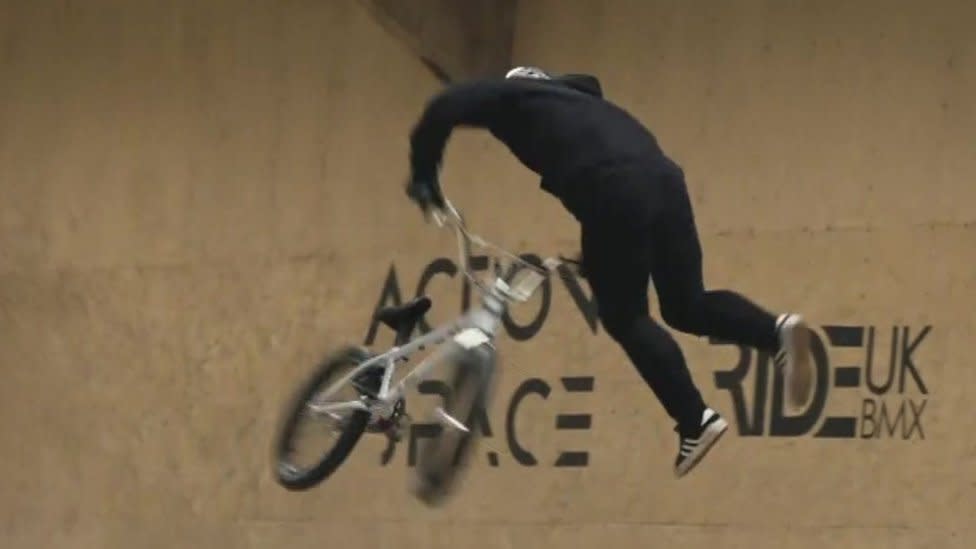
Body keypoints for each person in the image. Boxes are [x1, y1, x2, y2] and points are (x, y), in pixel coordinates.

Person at [403, 65, 813, 477]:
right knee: (687, 304)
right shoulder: (583, 107)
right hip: (665, 181)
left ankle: (695, 419)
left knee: (624, 316)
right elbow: (606, 176)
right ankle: (773, 331)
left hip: (613, 191)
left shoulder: (516, 98)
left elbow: (446, 104)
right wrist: (597, 259)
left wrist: (424, 176)